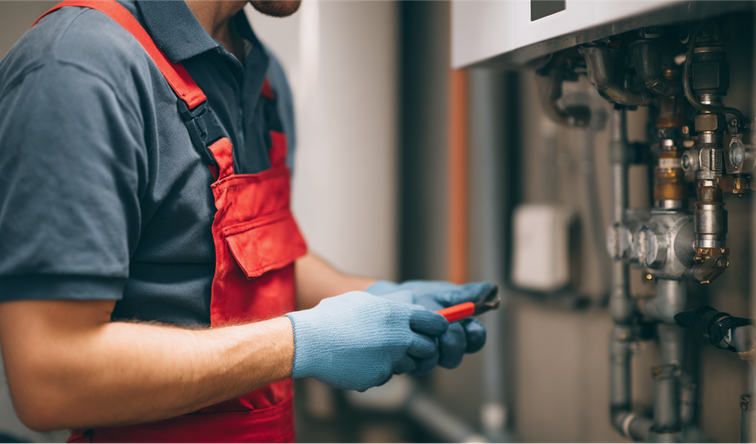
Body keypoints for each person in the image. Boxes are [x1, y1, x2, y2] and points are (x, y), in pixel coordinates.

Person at [0, 0, 491, 442]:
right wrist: (303, 343)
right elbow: (51, 377)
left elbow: (255, 258)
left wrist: (375, 298)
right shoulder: (80, 68)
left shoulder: (261, 71)